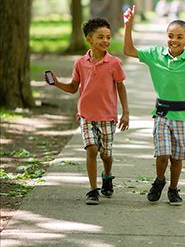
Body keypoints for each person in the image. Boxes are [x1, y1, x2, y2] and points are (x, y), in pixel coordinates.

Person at [123, 5, 185, 206]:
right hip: (161, 114)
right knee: (162, 154)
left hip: (182, 116)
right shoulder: (155, 54)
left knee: (177, 159)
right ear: (165, 37)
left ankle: (173, 189)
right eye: (170, 36)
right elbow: (128, 50)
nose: (174, 40)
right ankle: (159, 180)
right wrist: (128, 26)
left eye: (179, 37)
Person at [45, 18, 129, 205]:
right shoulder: (80, 63)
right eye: (101, 37)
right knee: (91, 149)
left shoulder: (114, 63)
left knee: (105, 154)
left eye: (108, 37)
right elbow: (74, 88)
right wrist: (57, 83)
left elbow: (121, 87)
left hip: (107, 116)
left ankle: (107, 176)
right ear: (89, 39)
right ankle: (93, 190)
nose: (105, 41)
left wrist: (126, 112)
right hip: (86, 115)